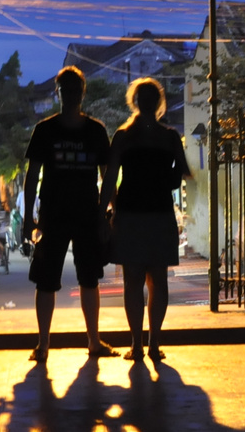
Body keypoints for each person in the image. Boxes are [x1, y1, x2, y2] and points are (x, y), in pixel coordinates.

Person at [21, 66, 114, 361]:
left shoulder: (96, 131)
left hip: (86, 213)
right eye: (66, 90)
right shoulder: (45, 130)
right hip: (54, 213)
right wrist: (27, 219)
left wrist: (104, 215)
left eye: (75, 90)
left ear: (82, 92)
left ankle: (93, 342)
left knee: (90, 278)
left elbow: (107, 177)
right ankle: (44, 343)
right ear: (58, 93)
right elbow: (31, 176)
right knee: (46, 279)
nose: (71, 95)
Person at [100, 77, 189, 361]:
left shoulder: (124, 137)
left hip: (130, 215)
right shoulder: (170, 137)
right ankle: (154, 344)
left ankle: (136, 345)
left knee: (132, 282)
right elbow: (181, 175)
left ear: (134, 102)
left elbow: (110, 178)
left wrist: (107, 212)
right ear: (160, 104)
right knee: (158, 281)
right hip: (161, 214)